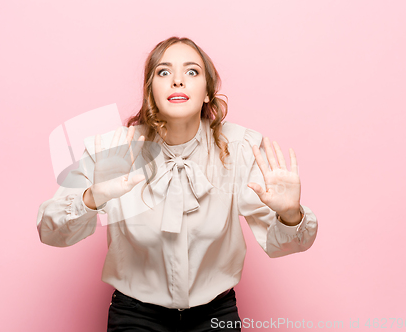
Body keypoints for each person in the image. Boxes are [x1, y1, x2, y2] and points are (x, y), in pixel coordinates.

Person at [36, 36, 318, 332]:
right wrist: (91, 197)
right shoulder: (114, 149)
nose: (178, 81)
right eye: (164, 72)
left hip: (216, 316)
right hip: (135, 317)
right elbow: (49, 231)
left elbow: (286, 244)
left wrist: (290, 214)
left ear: (208, 92)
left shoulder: (239, 148)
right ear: (150, 91)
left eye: (192, 72)